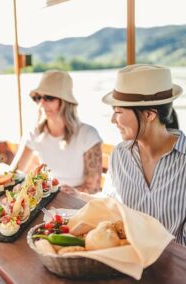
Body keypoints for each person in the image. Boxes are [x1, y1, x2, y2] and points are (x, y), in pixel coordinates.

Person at [68, 64, 185, 246]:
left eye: (118, 112)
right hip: (126, 257)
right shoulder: (120, 155)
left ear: (149, 114)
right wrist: (76, 195)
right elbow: (111, 205)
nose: (113, 120)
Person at [13, 70, 103, 193]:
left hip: (77, 202)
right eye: (38, 97)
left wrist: (73, 193)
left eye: (49, 97)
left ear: (65, 102)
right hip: (45, 198)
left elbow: (94, 188)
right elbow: (16, 173)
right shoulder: (34, 132)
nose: (41, 103)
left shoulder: (88, 135)